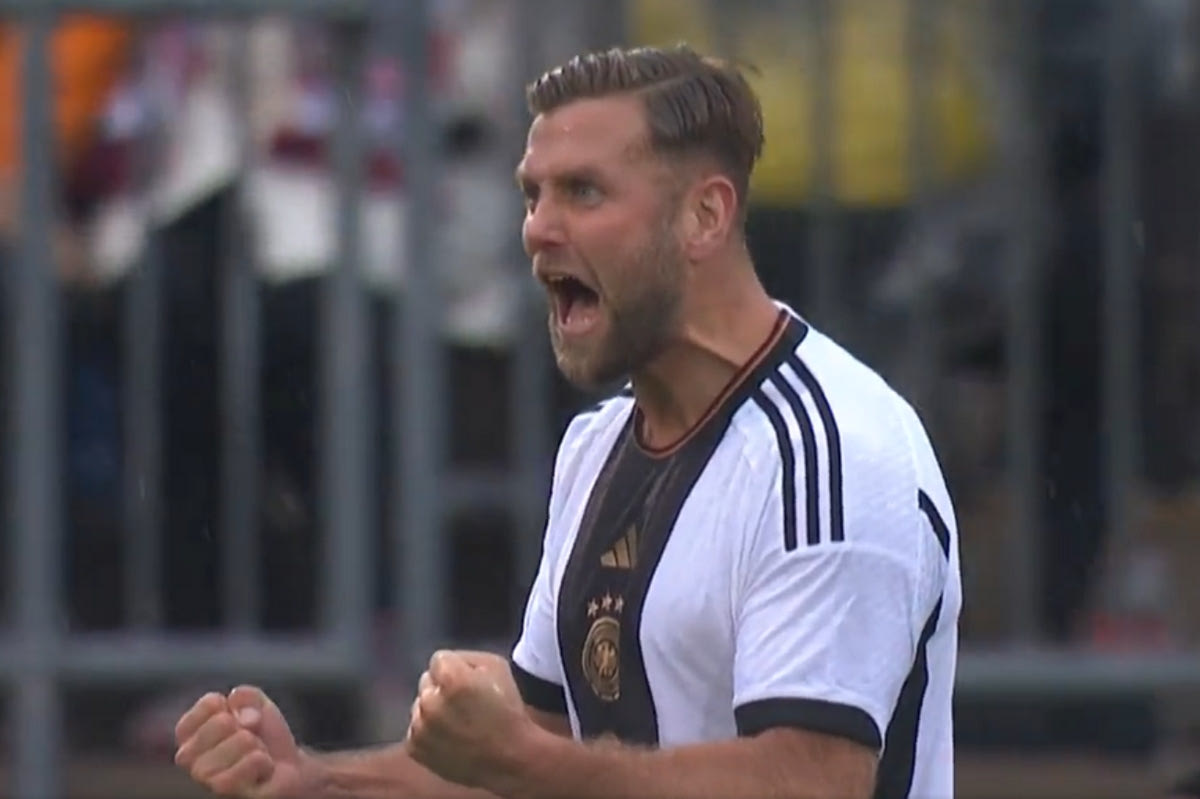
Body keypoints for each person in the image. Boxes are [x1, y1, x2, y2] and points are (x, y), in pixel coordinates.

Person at [173, 43, 962, 799]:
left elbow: (813, 780)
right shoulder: (598, 446)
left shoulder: (832, 453)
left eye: (583, 192)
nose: (538, 229)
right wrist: (315, 778)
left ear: (705, 216)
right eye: (532, 194)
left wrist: (526, 760)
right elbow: (542, 748)